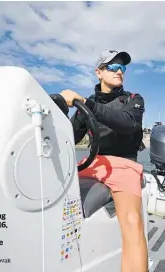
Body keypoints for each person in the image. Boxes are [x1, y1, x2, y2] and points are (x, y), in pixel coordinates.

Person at [60, 49, 148, 272]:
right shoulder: (85, 106)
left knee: (132, 221)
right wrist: (59, 110)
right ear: (98, 72)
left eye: (123, 68)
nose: (120, 71)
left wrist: (87, 105)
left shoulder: (133, 100)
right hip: (92, 163)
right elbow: (68, 138)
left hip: (124, 164)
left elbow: (127, 123)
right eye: (114, 67)